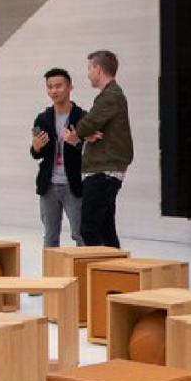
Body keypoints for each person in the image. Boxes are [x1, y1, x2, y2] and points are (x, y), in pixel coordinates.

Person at [62, 50, 134, 248]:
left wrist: (79, 134)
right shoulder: (111, 95)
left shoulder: (110, 96)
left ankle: (101, 272)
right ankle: (115, 273)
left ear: (98, 69)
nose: (87, 74)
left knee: (88, 228)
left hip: (103, 171)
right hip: (105, 170)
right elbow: (91, 126)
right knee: (105, 227)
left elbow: (87, 123)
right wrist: (86, 134)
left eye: (89, 68)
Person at [30, 68, 87, 247]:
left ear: (70, 87)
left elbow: (90, 150)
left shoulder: (83, 117)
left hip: (75, 184)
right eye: (50, 87)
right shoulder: (42, 118)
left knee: (81, 235)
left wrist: (76, 142)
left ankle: (84, 274)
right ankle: (50, 275)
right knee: (50, 237)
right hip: (49, 185)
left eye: (58, 86)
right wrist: (35, 147)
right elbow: (35, 153)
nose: (54, 91)